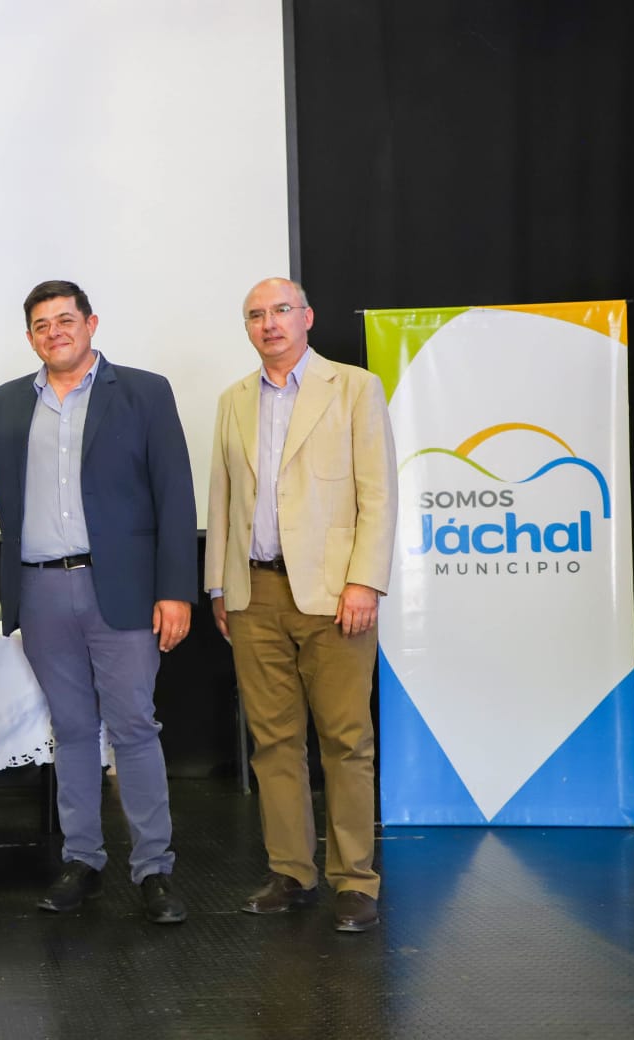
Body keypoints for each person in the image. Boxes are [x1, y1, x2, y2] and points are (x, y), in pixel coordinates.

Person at [0, 279, 199, 925]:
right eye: (41, 325)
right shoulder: (3, 404)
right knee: (72, 729)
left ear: (91, 323)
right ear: (30, 337)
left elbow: (175, 494)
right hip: (40, 589)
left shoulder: (145, 392)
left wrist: (175, 590)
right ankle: (82, 861)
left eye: (65, 320)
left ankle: (154, 869)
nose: (54, 332)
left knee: (133, 727)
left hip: (123, 589)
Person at [206, 277, 396, 933]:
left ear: (307, 317)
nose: (269, 323)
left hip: (335, 592)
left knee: (346, 739)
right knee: (273, 742)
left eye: (281, 310)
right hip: (253, 591)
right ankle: (291, 872)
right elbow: (222, 498)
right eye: (255, 314)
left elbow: (379, 493)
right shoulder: (233, 400)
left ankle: (355, 880)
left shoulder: (355, 388)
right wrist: (219, 586)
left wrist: (365, 581)